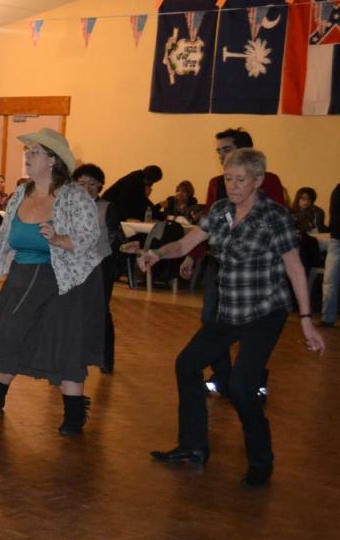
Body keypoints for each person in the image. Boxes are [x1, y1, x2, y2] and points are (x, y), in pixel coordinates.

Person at [141, 148, 325, 486]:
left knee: (241, 387)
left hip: (264, 312)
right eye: (228, 179)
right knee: (187, 365)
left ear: (258, 181)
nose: (233, 186)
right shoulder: (221, 211)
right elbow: (184, 244)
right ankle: (193, 447)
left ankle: (261, 460)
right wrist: (156, 253)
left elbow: (295, 268)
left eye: (241, 180)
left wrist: (306, 319)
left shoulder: (275, 217)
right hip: (229, 311)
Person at [0, 129, 104, 435]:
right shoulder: (21, 193)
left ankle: (74, 412)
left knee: (64, 345)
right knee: (9, 335)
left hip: (61, 281)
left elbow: (90, 237)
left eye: (35, 151)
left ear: (53, 160)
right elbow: (9, 240)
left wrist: (60, 239)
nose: (27, 156)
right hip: (21, 279)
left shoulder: (74, 196)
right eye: (27, 151)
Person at [182, 128, 288, 395]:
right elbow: (208, 225)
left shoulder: (268, 181)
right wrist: (192, 255)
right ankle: (223, 376)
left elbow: (275, 223)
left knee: (254, 331)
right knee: (211, 320)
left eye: (226, 150)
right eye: (218, 151)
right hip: (221, 267)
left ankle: (253, 381)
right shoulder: (216, 183)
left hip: (257, 274)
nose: (221, 155)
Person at [72, 163, 125, 373]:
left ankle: (105, 358)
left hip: (100, 268)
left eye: (92, 183)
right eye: (81, 183)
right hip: (73, 268)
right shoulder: (68, 207)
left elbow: (116, 238)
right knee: (68, 311)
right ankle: (66, 355)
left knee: (101, 311)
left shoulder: (107, 208)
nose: (87, 188)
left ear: (100, 185)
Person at [323, 183, 340, 328]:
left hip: (336, 238)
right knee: (330, 280)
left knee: (330, 281)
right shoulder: (339, 189)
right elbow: (334, 216)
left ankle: (327, 317)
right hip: (337, 239)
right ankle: (327, 318)